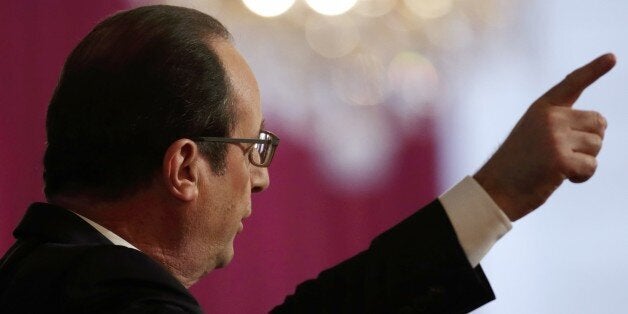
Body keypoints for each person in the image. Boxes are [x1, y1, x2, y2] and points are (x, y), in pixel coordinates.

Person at [0, 5, 615, 313]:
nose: (263, 179)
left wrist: (493, 196)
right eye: (254, 146)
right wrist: (497, 192)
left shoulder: (48, 273)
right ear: (185, 168)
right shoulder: (99, 294)